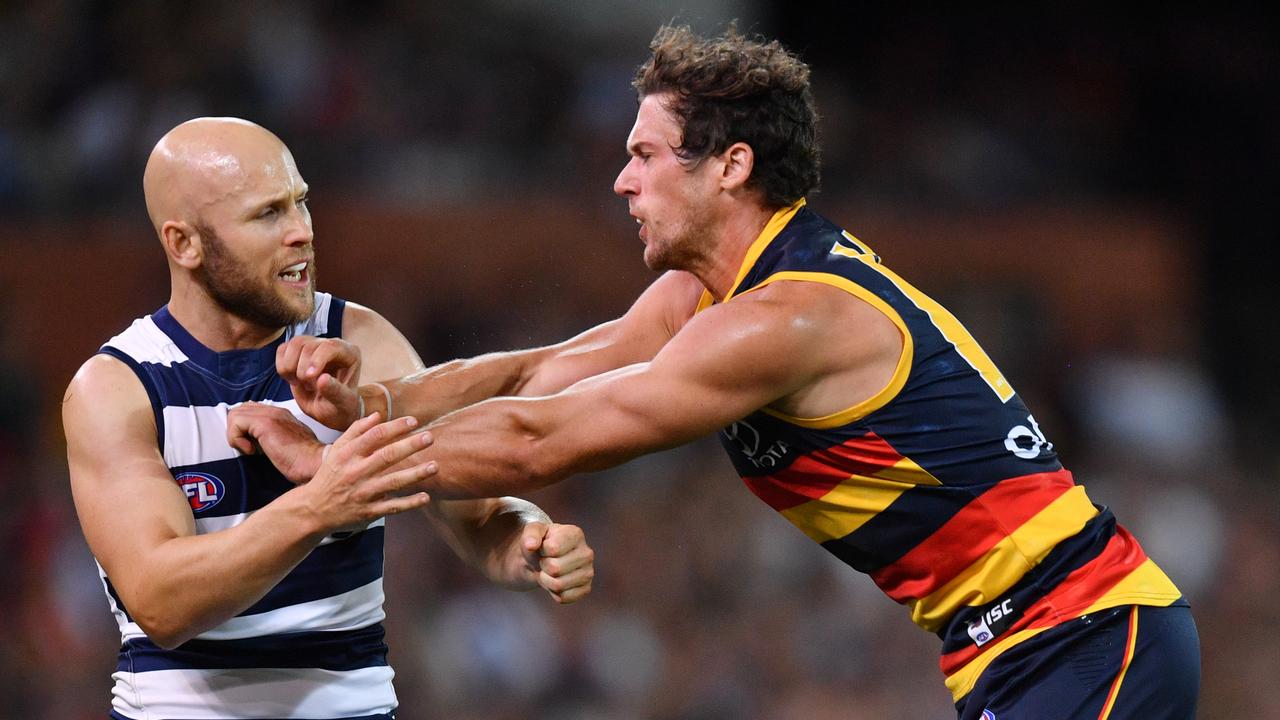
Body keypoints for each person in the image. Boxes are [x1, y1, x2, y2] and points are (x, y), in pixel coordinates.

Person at [241, 25, 1199, 719]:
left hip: (1084, 632)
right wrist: (365, 400)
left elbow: (544, 441)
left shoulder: (786, 319)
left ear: (731, 166)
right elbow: (542, 374)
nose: (621, 181)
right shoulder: (713, 293)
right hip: (1015, 650)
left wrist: (341, 465)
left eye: (646, 156)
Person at [61, 117, 595, 720]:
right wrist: (321, 504)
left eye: (301, 203)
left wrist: (528, 543)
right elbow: (162, 604)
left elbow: (476, 520)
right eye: (268, 215)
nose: (301, 234)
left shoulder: (362, 343)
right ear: (184, 244)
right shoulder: (118, 387)